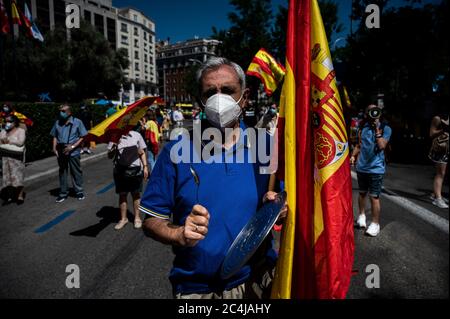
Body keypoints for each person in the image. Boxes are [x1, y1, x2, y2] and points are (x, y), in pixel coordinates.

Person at [140, 57, 286, 299]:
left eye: (228, 90)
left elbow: (284, 202)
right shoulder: (178, 150)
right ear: (200, 100)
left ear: (245, 96)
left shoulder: (267, 147)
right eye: (211, 92)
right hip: (198, 290)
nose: (220, 99)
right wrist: (178, 234)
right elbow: (150, 221)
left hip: (259, 281)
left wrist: (280, 207)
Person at [350, 104, 392, 237]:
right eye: (369, 111)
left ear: (379, 113)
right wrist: (353, 155)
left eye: (375, 111)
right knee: (362, 193)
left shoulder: (386, 128)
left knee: (374, 196)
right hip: (362, 167)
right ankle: (361, 216)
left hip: (376, 169)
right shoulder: (363, 127)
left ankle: (375, 224)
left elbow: (382, 145)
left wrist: (377, 131)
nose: (372, 113)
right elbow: (358, 145)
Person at [107, 129, 149, 230]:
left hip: (135, 170)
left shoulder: (136, 135)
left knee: (136, 194)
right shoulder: (114, 137)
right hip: (120, 171)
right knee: (122, 194)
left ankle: (137, 218)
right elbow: (110, 156)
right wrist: (113, 147)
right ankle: (123, 219)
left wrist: (145, 166)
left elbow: (142, 152)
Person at [50, 105, 88, 203]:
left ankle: (79, 191)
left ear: (69, 112)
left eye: (63, 111)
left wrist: (72, 147)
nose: (60, 113)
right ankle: (63, 193)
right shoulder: (57, 122)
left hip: (73, 150)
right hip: (61, 149)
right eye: (60, 111)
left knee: (75, 171)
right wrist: (54, 148)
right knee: (62, 171)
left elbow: (83, 136)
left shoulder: (77, 122)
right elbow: (55, 136)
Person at [0, 115, 26, 205]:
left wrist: (9, 140)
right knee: (7, 178)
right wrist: (9, 141)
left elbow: (20, 142)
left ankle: (20, 196)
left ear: (15, 122)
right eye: (6, 121)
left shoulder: (21, 131)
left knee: (18, 177)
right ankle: (10, 196)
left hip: (16, 158)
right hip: (5, 158)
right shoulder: (3, 131)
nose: (7, 123)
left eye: (9, 121)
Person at [428, 112, 449, 209]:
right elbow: (431, 134)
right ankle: (438, 199)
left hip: (448, 149)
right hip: (441, 149)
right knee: (440, 173)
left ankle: (435, 193)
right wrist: (443, 130)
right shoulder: (438, 118)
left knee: (444, 173)